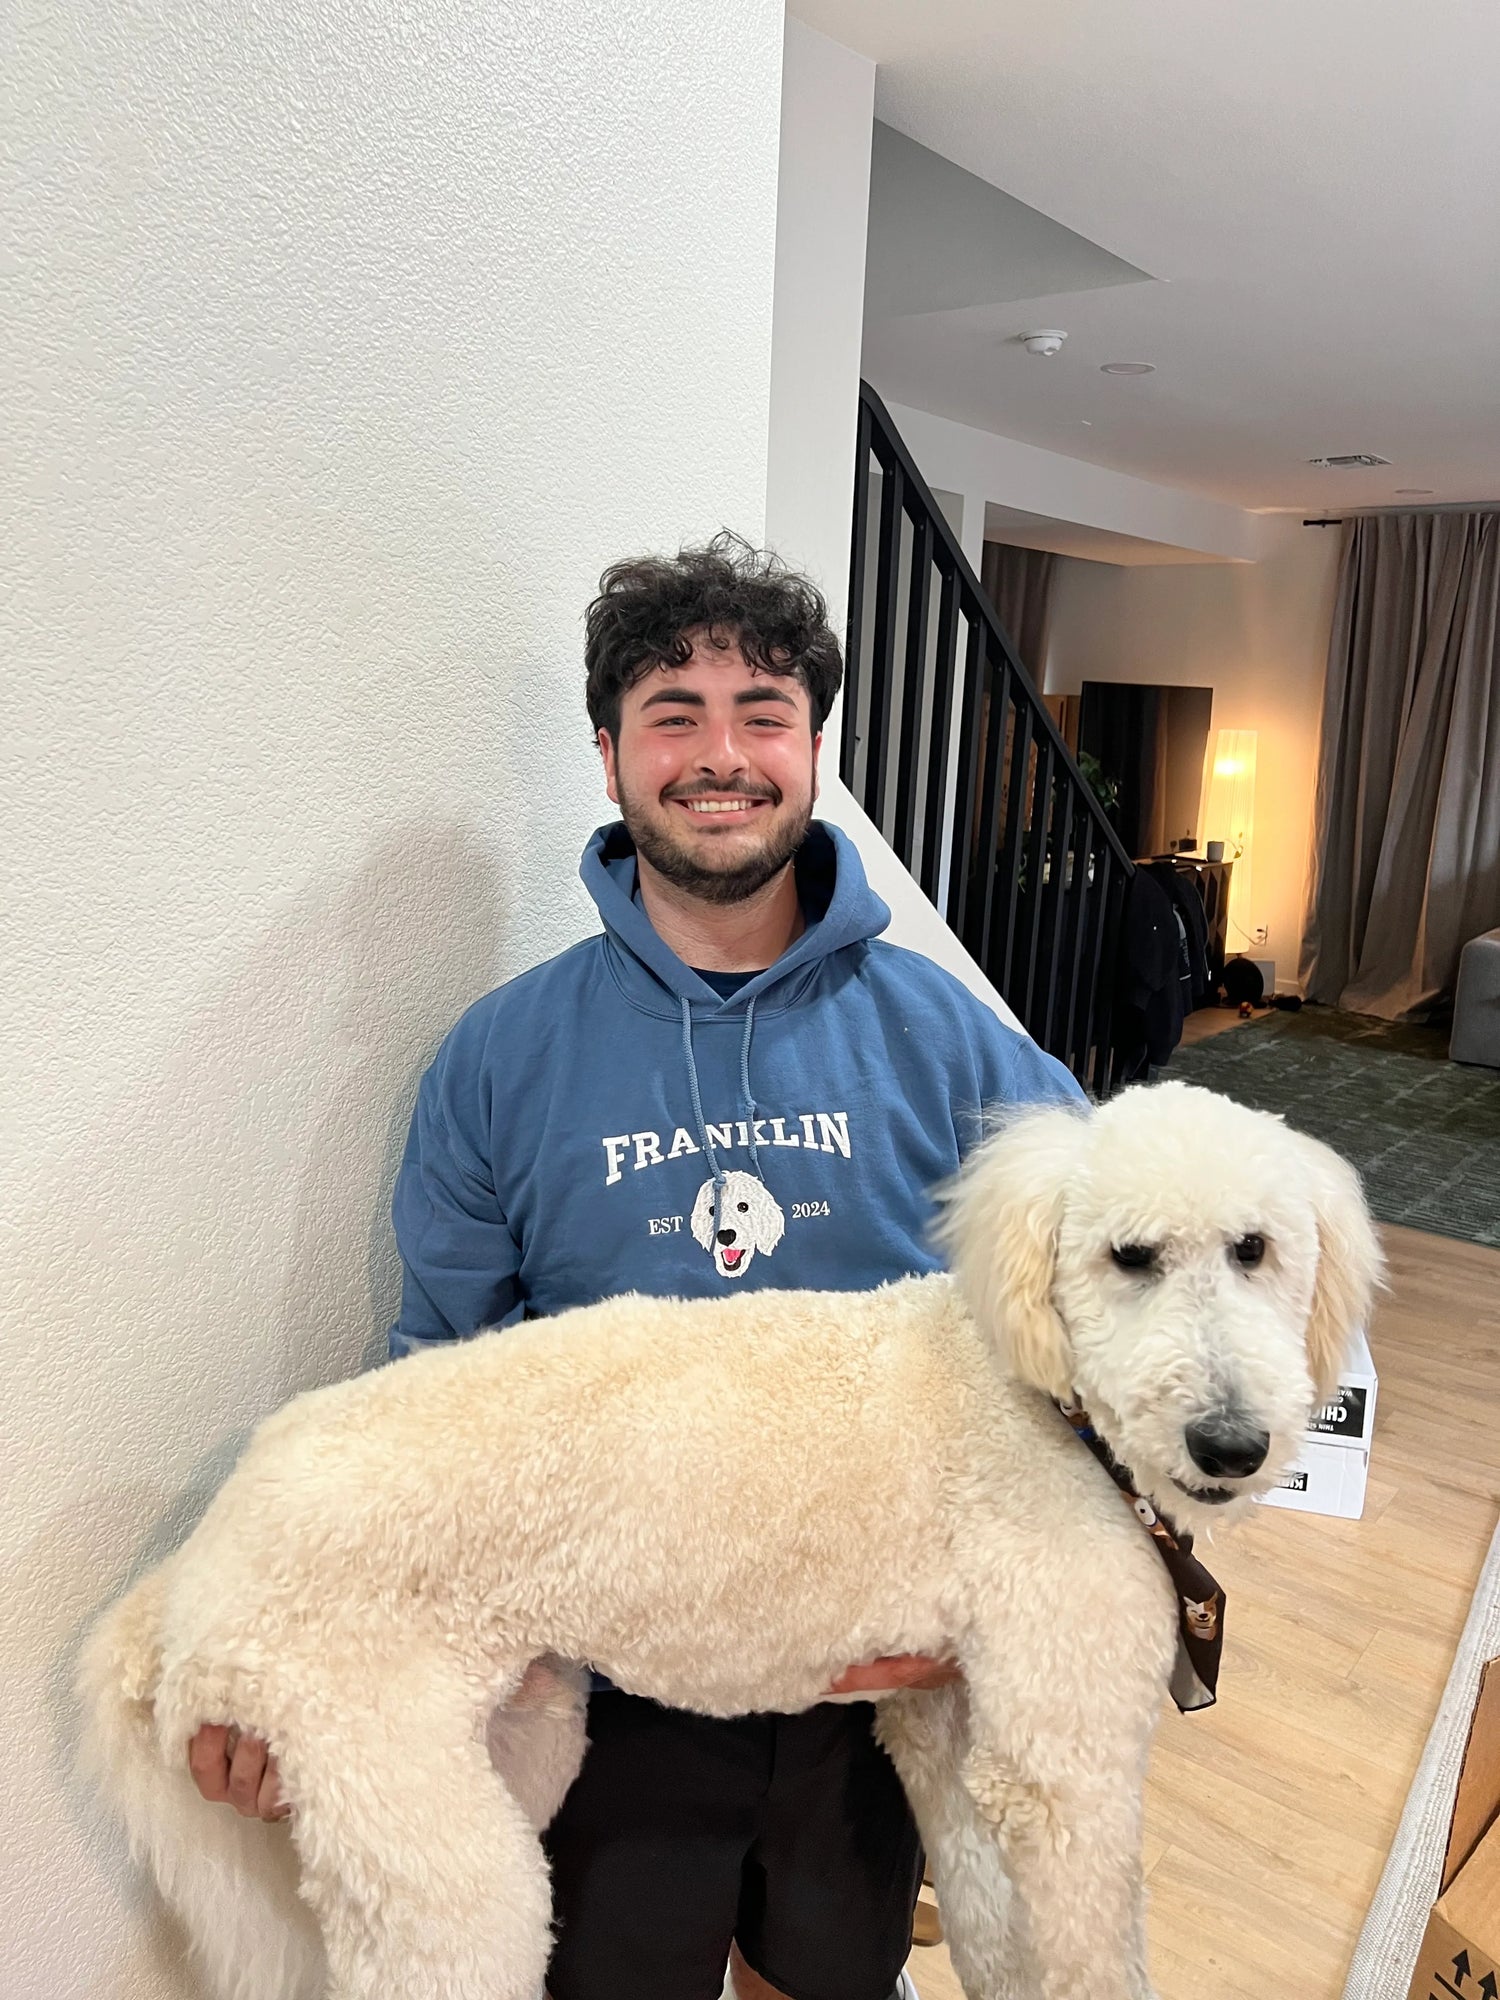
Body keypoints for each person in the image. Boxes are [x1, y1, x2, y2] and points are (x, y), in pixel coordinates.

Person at [187, 534, 1084, 2000]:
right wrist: (292, 1640)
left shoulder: (948, 1038)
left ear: (813, 751)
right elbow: (433, 1395)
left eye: (763, 713)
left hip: (875, 1680)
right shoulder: (500, 1057)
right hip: (611, 1684)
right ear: (610, 757)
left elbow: (1110, 1293)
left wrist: (1007, 1590)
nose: (720, 754)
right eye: (675, 713)